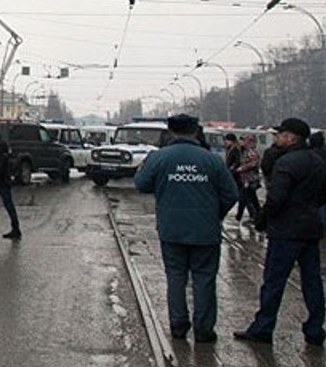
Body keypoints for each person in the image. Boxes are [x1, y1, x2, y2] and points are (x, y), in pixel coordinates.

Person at [134, 113, 238, 344]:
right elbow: (231, 194)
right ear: (195, 131)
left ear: (171, 131)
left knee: (175, 277)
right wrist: (215, 215)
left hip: (171, 230)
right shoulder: (212, 160)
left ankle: (178, 326)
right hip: (205, 231)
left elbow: (141, 185)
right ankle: (204, 330)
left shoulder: (159, 157)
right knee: (204, 279)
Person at [234, 117, 326, 346]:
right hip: (311, 229)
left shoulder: (286, 163)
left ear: (291, 137)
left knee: (274, 281)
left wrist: (262, 220)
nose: (276, 138)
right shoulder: (318, 161)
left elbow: (276, 198)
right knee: (312, 281)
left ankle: (263, 328)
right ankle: (315, 329)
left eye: (280, 134)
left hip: (285, 230)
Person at [234, 133, 263, 225]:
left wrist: (241, 168)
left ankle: (240, 215)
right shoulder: (245, 151)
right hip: (246, 179)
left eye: (244, 140)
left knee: (244, 197)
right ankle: (258, 216)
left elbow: (254, 163)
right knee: (252, 199)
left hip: (250, 180)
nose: (242, 142)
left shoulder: (251, 152)